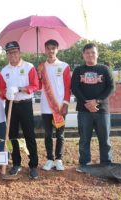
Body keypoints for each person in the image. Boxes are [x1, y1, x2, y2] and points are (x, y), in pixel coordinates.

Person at [71, 43, 114, 172]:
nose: (90, 55)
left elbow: (111, 87)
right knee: (84, 139)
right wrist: (86, 103)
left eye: (93, 52)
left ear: (97, 54)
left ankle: (106, 163)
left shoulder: (105, 69)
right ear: (83, 55)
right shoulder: (78, 70)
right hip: (84, 111)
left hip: (102, 110)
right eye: (87, 53)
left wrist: (97, 101)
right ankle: (84, 163)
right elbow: (75, 88)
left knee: (105, 139)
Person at [0, 41, 39, 179]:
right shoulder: (4, 71)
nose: (12, 55)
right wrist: (5, 93)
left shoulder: (29, 67)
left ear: (19, 52)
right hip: (11, 105)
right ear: (7, 55)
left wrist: (20, 88)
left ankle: (33, 165)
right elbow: (1, 89)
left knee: (29, 135)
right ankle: (16, 163)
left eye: (15, 52)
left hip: (25, 104)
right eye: (9, 53)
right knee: (12, 136)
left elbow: (35, 85)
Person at [37, 39, 71, 171]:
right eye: (48, 48)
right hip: (46, 107)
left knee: (60, 134)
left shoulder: (64, 66)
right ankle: (50, 159)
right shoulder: (41, 67)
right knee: (47, 134)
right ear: (45, 50)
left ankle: (59, 159)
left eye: (53, 48)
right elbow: (39, 87)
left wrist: (66, 103)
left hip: (60, 107)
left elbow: (68, 87)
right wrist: (39, 76)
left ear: (57, 49)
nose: (50, 51)